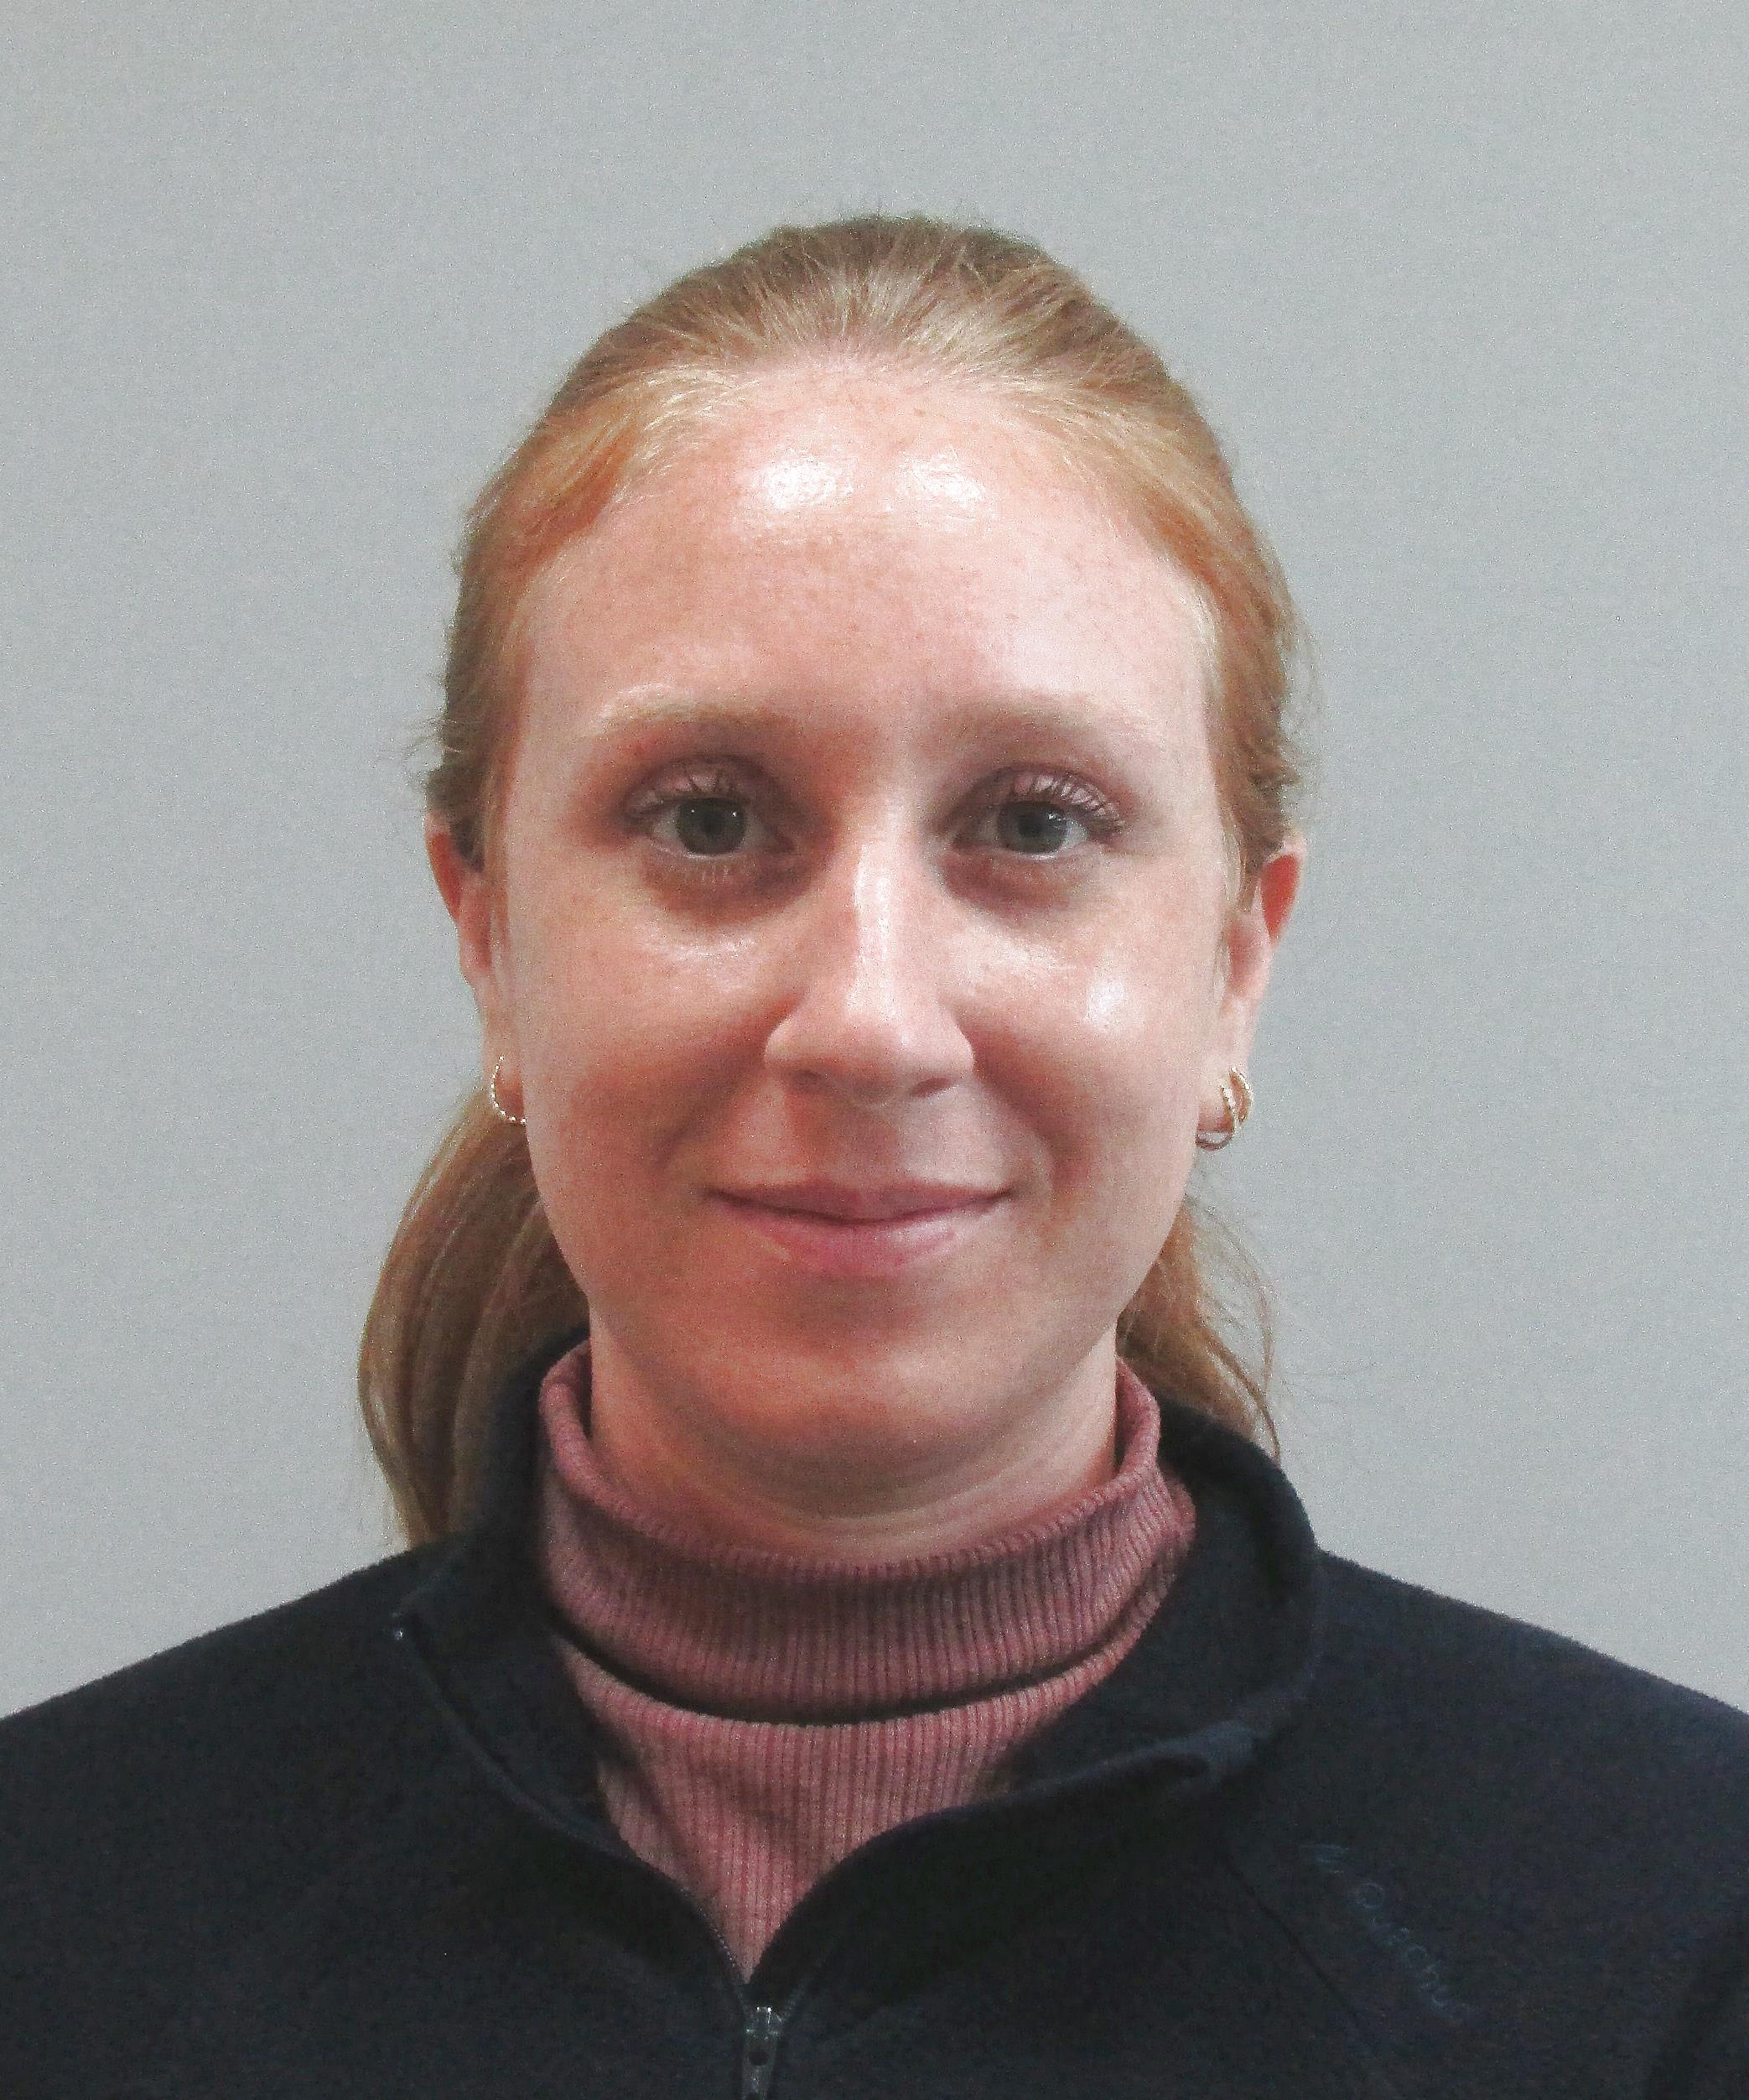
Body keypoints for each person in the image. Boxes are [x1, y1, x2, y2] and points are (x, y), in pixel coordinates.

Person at [2, 213, 1744, 2097]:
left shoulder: (1671, 1935)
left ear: (1234, 967)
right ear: (487, 936)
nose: (869, 1020)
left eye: (1033, 823)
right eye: (708, 819)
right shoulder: (58, 1918)